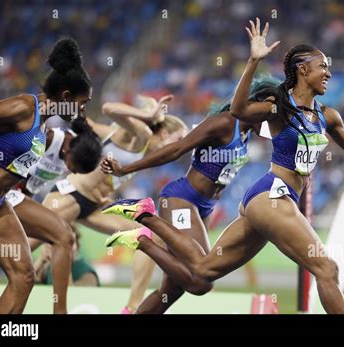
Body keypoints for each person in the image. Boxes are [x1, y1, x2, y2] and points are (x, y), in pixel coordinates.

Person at [103, 19, 344, 314]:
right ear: (302, 70)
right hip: (271, 196)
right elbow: (236, 111)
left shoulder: (328, 116)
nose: (328, 72)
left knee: (201, 275)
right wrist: (253, 61)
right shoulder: (278, 109)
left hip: (268, 203)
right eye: (322, 66)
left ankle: (143, 222)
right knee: (326, 268)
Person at [100, 75, 280, 313]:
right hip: (182, 198)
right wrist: (127, 168)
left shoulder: (246, 134)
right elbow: (177, 148)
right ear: (256, 105)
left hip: (203, 207)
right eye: (269, 112)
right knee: (202, 280)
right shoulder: (225, 123)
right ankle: (142, 226)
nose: (270, 120)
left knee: (171, 291)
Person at [41, 95, 187, 313]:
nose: (182, 147)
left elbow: (90, 126)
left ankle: (132, 307)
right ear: (165, 133)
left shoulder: (144, 152)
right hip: (70, 197)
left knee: (149, 233)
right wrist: (146, 114)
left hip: (93, 206)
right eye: (180, 139)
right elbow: (108, 107)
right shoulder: (142, 135)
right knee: (28, 246)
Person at [0, 38, 92, 313]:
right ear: (66, 97)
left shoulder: (44, 125)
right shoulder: (23, 108)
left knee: (24, 276)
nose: (83, 110)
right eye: (83, 102)